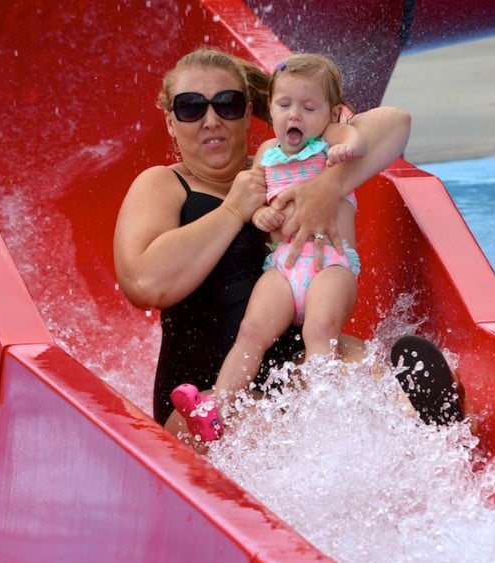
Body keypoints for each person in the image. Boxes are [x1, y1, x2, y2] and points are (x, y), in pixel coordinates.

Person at [113, 47, 462, 443]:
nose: (211, 120)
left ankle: (422, 424)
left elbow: (394, 125)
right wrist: (233, 211)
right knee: (273, 426)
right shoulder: (164, 184)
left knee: (381, 386)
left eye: (227, 105)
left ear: (248, 113)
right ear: (171, 121)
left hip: (297, 364)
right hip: (207, 394)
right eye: (191, 108)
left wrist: (328, 187)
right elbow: (144, 283)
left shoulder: (287, 165)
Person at [172, 54, 368, 440]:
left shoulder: (327, 142)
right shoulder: (266, 154)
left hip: (329, 264)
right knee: (251, 330)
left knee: (320, 329)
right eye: (284, 105)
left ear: (332, 113)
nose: (295, 115)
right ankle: (218, 406)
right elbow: (257, 200)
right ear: (270, 111)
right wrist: (261, 215)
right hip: (282, 268)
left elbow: (362, 136)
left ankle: (322, 406)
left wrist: (348, 147)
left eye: (309, 107)